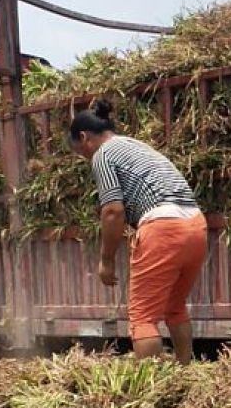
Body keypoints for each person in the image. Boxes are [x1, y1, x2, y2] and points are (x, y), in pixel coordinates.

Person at [69, 101, 208, 363]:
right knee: (174, 307)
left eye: (80, 152)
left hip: (163, 226)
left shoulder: (103, 154)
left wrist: (106, 261)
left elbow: (113, 211)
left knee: (143, 317)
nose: (84, 157)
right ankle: (185, 374)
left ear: (84, 137)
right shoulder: (135, 145)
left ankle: (153, 391)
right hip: (195, 225)